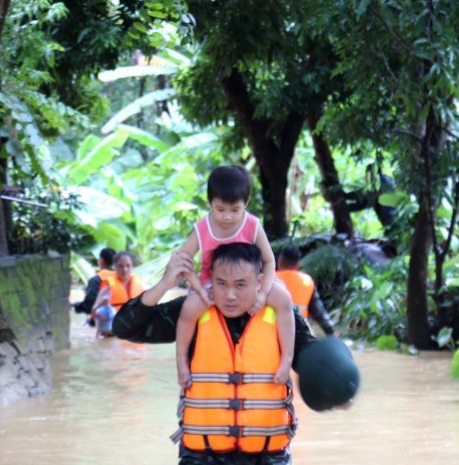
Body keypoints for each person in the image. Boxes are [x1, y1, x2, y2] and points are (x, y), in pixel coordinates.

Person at [113, 243, 335, 465]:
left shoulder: (283, 315)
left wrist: (335, 382)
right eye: (221, 285)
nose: (229, 295)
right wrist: (165, 284)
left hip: (265, 461)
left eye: (241, 285)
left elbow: (312, 358)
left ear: (260, 282)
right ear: (210, 281)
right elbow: (125, 327)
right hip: (203, 459)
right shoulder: (192, 311)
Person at [173, 165, 294, 389]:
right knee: (189, 310)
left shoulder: (252, 225)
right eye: (220, 209)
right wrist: (199, 289)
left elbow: (269, 261)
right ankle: (181, 361)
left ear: (245, 204)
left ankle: (287, 359)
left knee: (284, 300)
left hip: (250, 283)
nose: (227, 217)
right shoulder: (202, 228)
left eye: (234, 210)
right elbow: (183, 260)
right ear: (210, 202)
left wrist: (263, 294)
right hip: (213, 283)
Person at [275, 246, 336, 336]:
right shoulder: (307, 281)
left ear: (279, 262)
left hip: (274, 328)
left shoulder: (270, 278)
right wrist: (330, 331)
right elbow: (318, 311)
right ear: (298, 265)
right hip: (300, 330)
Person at [91, 251, 143, 337]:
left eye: (128, 265)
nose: (125, 269)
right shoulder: (108, 287)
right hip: (111, 334)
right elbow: (94, 309)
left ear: (132, 266)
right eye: (120, 266)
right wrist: (104, 306)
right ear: (115, 267)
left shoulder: (139, 285)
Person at [73, 247, 116, 324]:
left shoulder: (96, 279)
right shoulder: (123, 278)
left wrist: (77, 306)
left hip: (102, 322)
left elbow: (89, 305)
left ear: (101, 261)